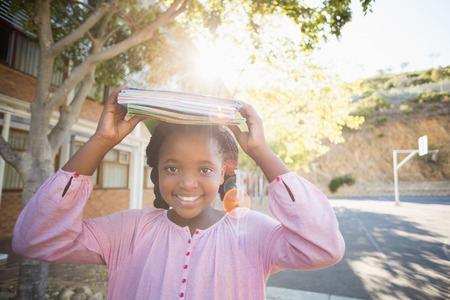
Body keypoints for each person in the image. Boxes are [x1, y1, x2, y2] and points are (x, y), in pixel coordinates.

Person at [13, 85, 345, 299]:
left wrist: (261, 152)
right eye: (172, 168)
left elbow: (324, 248)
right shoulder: (128, 230)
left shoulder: (253, 233)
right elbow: (35, 238)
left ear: (224, 170)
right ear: (156, 170)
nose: (187, 183)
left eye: (204, 169)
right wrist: (101, 141)